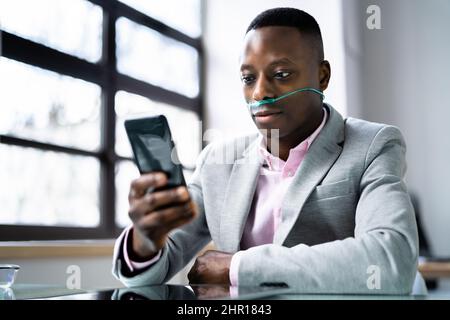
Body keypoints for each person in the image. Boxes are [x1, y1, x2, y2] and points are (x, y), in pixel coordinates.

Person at [112, 7, 419, 294]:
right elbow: (150, 274)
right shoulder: (217, 163)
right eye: (248, 78)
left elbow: (392, 261)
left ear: (322, 76)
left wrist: (238, 266)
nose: (259, 93)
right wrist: (144, 240)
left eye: (281, 74)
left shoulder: (373, 144)